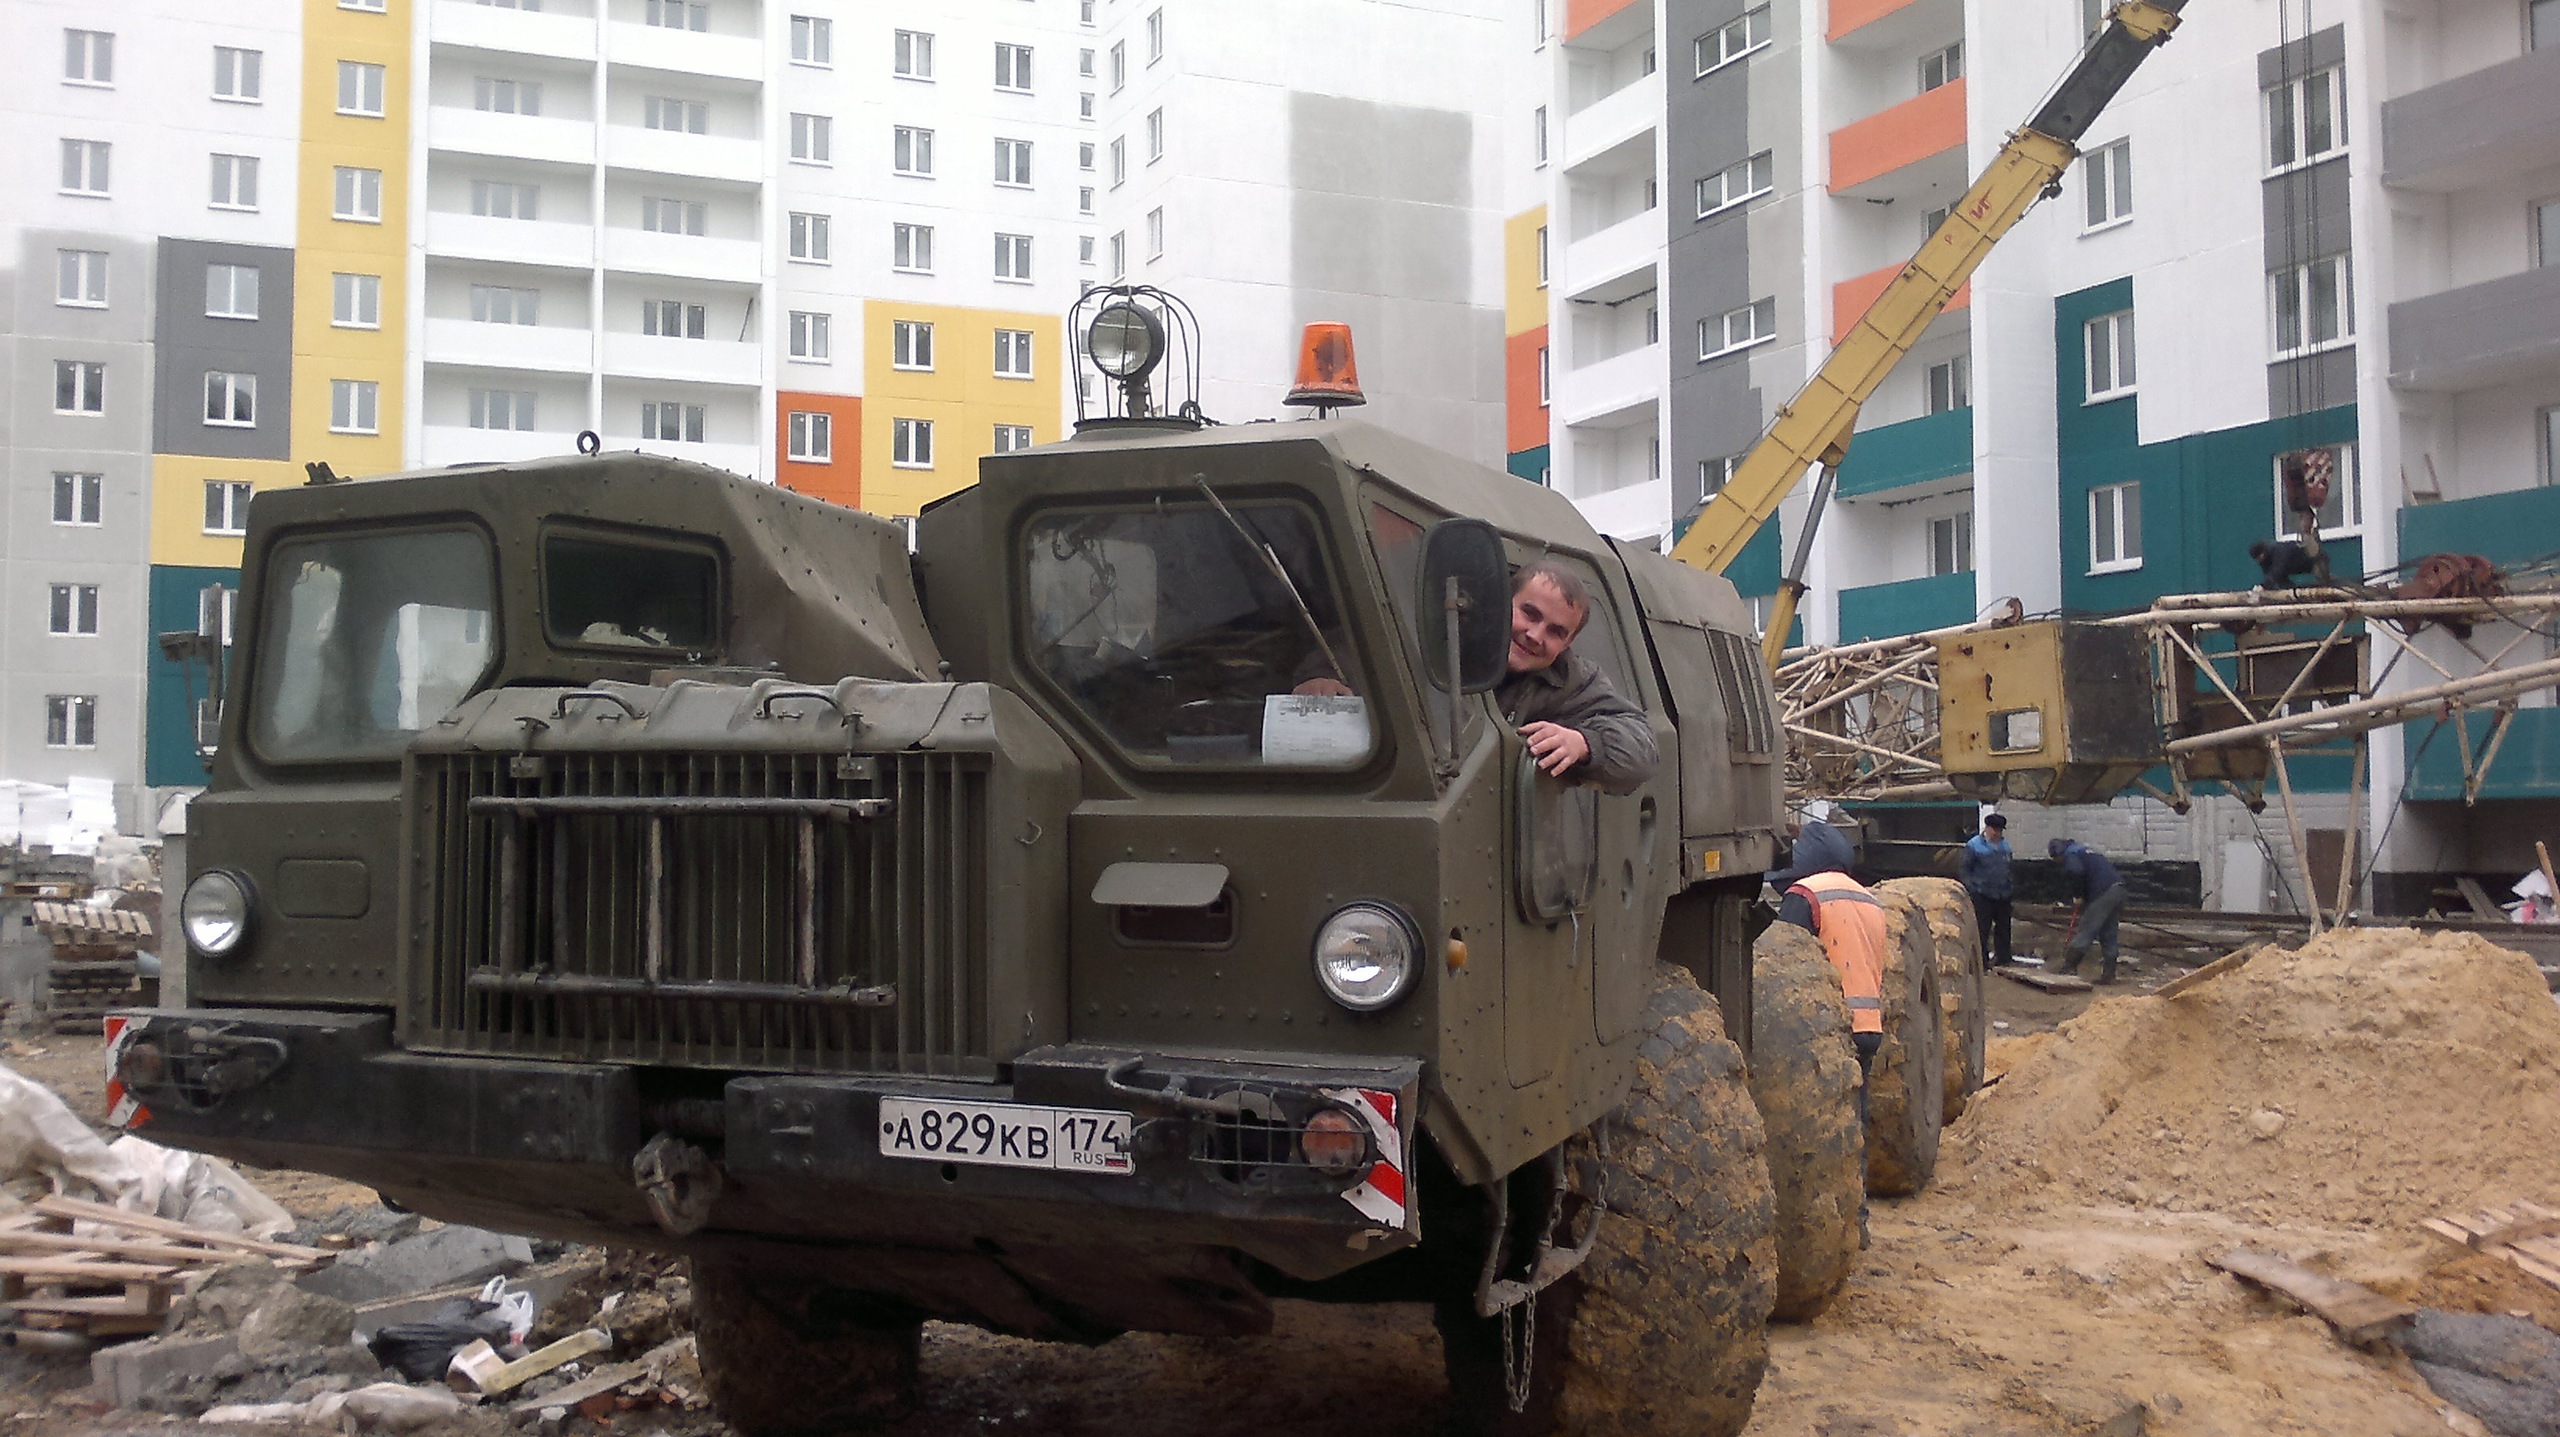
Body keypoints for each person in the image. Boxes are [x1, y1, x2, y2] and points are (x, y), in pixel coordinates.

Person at [1774, 846, 1887, 1246]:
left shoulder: (1806, 894)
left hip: (1828, 1029)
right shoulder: (1869, 899)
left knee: (1817, 1133)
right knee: (1853, 1126)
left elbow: (1784, 961)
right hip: (1868, 1025)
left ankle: (1819, 1234)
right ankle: (1858, 1223)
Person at [1493, 561, 1659, 794]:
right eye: (1530, 614)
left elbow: (1642, 750)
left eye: (1555, 632)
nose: (1535, 636)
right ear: (1503, 603)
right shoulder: (1450, 639)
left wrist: (1584, 743)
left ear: (1567, 643)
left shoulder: (1570, 681)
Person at [2049, 837, 2129, 983]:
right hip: (2119, 889)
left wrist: (2078, 896)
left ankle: (2069, 966)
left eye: (2055, 858)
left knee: (2087, 929)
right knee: (2109, 933)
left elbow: (2076, 872)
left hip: (2104, 892)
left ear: (2057, 853)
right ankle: (2109, 974)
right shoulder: (2084, 851)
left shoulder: (2070, 855)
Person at [1960, 812, 2015, 968]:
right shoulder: (1974, 846)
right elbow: (1965, 870)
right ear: (1987, 828)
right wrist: (1972, 889)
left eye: (2000, 830)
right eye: (1995, 830)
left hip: (2003, 893)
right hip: (1982, 894)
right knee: (1982, 929)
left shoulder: (2005, 846)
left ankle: (2003, 958)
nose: (1997, 833)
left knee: (2004, 928)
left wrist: (2010, 887)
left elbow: (2009, 868)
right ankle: (1980, 961)